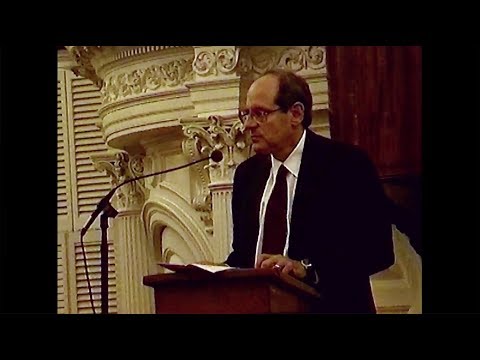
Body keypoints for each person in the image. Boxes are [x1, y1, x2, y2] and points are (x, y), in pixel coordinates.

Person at [224, 69, 395, 313]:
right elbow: (243, 255)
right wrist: (211, 272)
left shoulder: (346, 165)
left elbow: (377, 250)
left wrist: (306, 269)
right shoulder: (247, 175)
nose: (249, 125)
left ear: (295, 113)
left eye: (260, 114)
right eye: (246, 114)